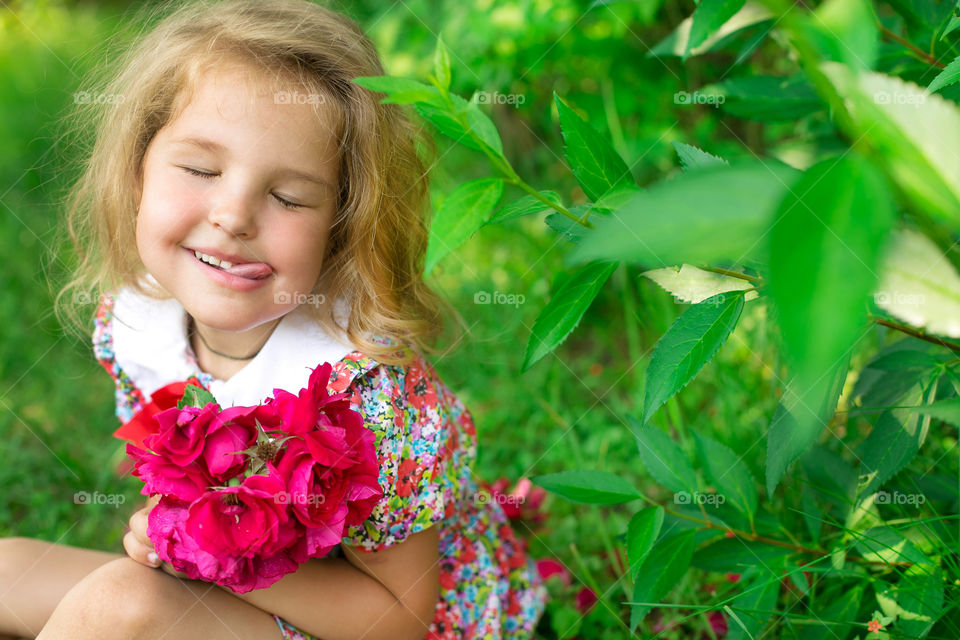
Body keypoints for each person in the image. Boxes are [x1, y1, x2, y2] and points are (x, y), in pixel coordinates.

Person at [0, 1, 546, 638]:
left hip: (385, 625)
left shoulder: (366, 399)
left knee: (123, 606)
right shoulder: (138, 325)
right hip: (252, 604)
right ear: (137, 170)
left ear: (341, 230)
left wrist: (220, 549)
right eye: (200, 169)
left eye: (288, 197)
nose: (234, 216)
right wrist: (182, 532)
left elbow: (397, 620)